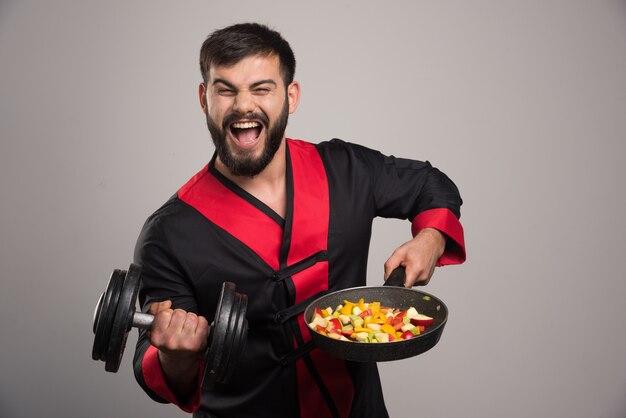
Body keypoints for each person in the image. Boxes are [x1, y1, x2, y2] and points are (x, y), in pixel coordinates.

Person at [132, 22, 466, 418]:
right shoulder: (168, 232)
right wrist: (175, 354)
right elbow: (164, 376)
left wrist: (430, 238)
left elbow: (431, 184)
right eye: (226, 90)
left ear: (291, 97)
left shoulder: (345, 169)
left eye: (261, 88)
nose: (243, 106)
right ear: (204, 99)